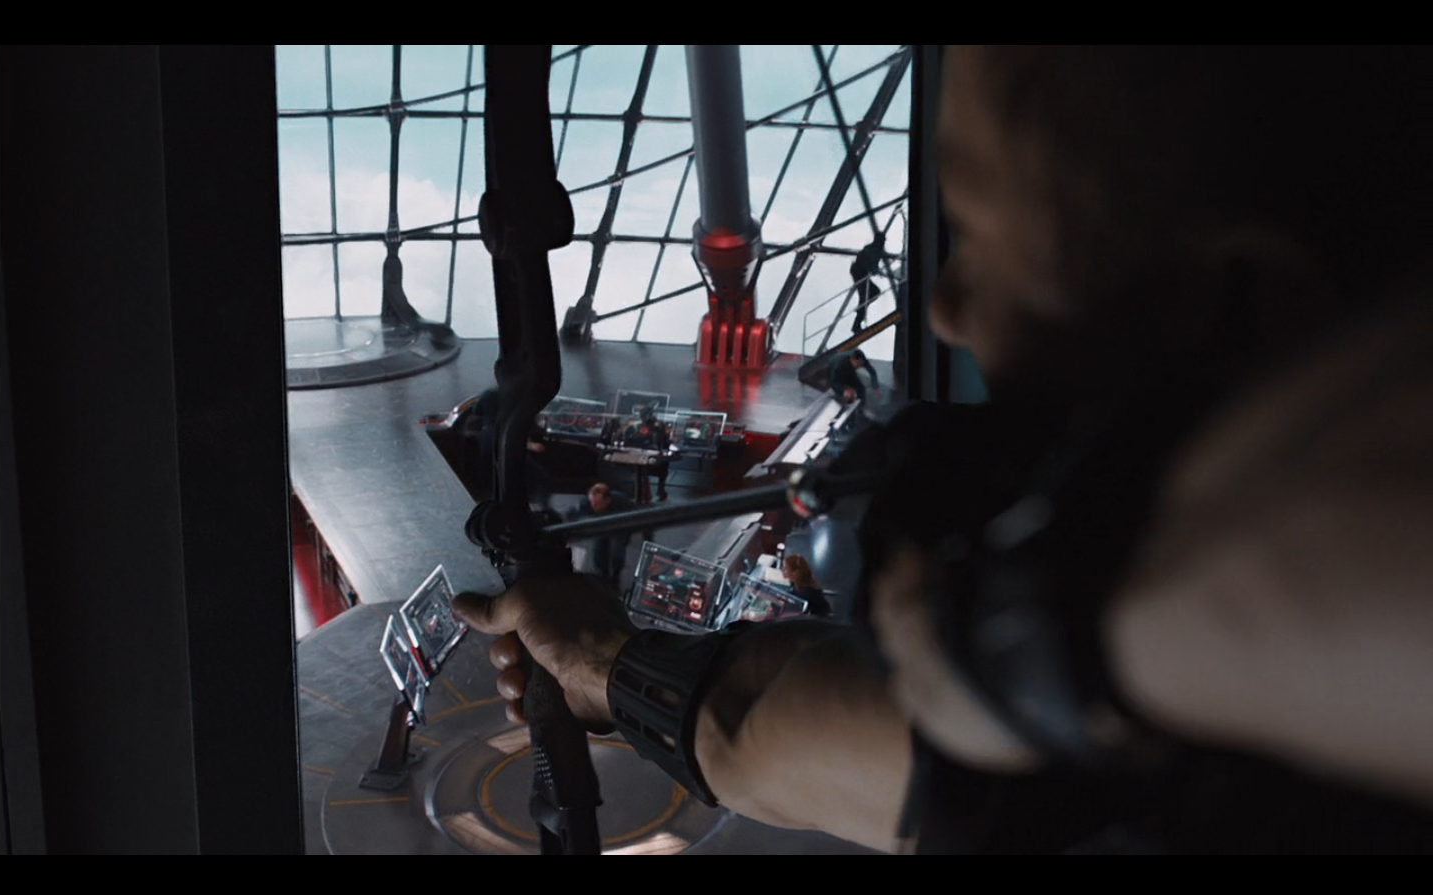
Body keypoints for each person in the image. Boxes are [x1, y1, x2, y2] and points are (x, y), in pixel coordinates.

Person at [456, 46, 1433, 853]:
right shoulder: (1109, 713)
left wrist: (1029, 620)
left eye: (977, 235)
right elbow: (806, 736)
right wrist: (606, 664)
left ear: (1244, 308)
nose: (946, 309)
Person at [564, 482, 637, 590]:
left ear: (607, 500)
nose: (594, 506)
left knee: (617, 551)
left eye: (597, 504)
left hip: (619, 528)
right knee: (598, 551)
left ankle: (615, 576)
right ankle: (603, 576)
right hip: (600, 527)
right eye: (592, 503)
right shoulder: (585, 504)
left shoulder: (622, 502)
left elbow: (635, 518)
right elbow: (573, 517)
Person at [620, 405, 671, 502]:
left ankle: (656, 491)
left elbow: (663, 443)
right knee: (659, 466)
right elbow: (628, 441)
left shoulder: (656, 428)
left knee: (662, 465)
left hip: (646, 458)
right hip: (638, 458)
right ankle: (654, 492)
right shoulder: (636, 428)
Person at [849, 233, 886, 333]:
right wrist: (874, 269)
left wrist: (875, 270)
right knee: (870, 294)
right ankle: (857, 323)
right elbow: (868, 262)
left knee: (868, 295)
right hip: (859, 273)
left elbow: (872, 264)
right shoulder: (873, 250)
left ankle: (858, 317)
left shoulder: (873, 249)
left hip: (859, 272)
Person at [780, 553, 832, 618]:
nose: (782, 570)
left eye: (785, 568)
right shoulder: (796, 586)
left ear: (795, 573)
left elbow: (797, 609)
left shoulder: (807, 591)